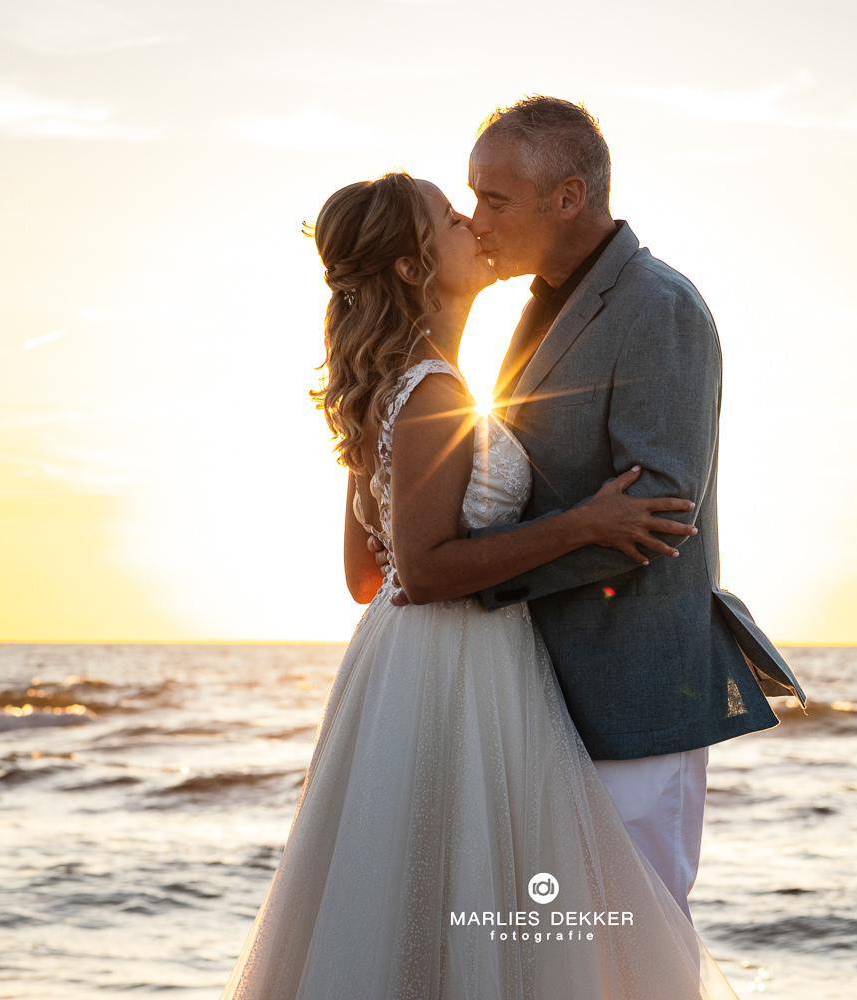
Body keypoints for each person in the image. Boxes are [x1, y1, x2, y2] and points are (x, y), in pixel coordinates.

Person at [219, 171, 741, 998]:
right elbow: (422, 571)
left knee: (427, 903)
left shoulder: (400, 389)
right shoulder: (433, 390)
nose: (472, 223)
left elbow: (368, 576)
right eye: (450, 215)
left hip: (398, 667)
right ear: (410, 265)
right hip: (459, 657)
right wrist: (580, 525)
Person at [377, 96, 806, 920]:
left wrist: (475, 581)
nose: (477, 218)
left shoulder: (659, 307)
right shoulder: (537, 305)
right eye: (470, 197)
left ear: (568, 197)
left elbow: (652, 514)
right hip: (537, 694)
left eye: (495, 199)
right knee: (558, 945)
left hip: (632, 686)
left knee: (635, 936)